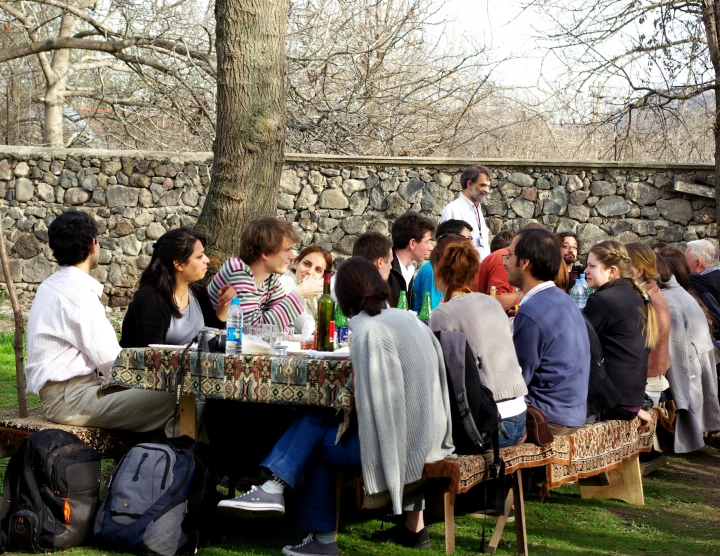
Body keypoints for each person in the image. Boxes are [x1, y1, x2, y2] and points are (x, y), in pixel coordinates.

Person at [217, 258, 454, 555]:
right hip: (431, 435)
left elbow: (369, 405)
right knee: (318, 417)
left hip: (405, 447)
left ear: (341, 298)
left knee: (316, 440)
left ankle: (309, 526)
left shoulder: (368, 331)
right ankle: (278, 492)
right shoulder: (407, 319)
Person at [26, 210, 175, 434]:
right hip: (72, 399)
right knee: (180, 399)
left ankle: (159, 460)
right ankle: (175, 464)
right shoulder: (78, 295)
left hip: (70, 393)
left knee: (175, 397)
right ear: (92, 245)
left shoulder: (52, 285)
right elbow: (112, 363)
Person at [430, 241, 528, 448]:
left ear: (439, 273)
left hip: (488, 423)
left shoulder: (443, 314)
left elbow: (437, 374)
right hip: (520, 415)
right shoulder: (492, 303)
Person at [503, 228, 590, 435]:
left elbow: (518, 381)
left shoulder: (533, 310)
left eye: (510, 255)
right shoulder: (564, 299)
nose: (505, 262)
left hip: (550, 417)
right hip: (573, 412)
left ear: (525, 263)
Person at [583, 240, 658, 425]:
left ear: (612, 271)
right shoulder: (637, 294)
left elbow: (577, 345)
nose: (585, 271)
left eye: (592, 266)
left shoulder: (603, 300)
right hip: (631, 400)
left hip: (615, 402)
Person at [120, 228, 236, 347]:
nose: (207, 260)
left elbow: (211, 335)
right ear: (179, 264)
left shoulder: (197, 289)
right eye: (199, 256)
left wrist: (224, 305)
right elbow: (150, 356)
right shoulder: (151, 300)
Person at [207, 217, 323, 333]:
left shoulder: (270, 278)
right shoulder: (238, 271)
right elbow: (252, 331)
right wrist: (299, 294)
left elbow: (286, 328)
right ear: (266, 253)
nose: (292, 256)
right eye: (287, 250)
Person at [656, 250, 720, 452]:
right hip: (700, 356)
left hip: (689, 361)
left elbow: (675, 352)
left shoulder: (670, 300)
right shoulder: (682, 295)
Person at [625, 243, 671, 407]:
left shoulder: (646, 299)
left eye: (625, 265)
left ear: (639, 270)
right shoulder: (649, 293)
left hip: (645, 382)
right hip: (646, 380)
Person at [412, 219, 473, 313]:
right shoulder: (431, 270)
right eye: (467, 238)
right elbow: (432, 312)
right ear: (452, 239)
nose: (471, 243)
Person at [440, 165, 491, 260]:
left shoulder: (478, 209)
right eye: (483, 185)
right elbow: (447, 249)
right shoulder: (453, 210)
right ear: (469, 183)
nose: (487, 190)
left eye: (488, 186)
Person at [279, 245, 333, 334]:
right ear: (297, 264)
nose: (310, 272)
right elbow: (306, 328)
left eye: (318, 270)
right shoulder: (285, 282)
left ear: (322, 277)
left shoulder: (318, 294)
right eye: (307, 264)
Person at [387, 211, 435, 308]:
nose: (431, 247)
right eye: (427, 241)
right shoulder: (385, 271)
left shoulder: (408, 270)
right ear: (412, 243)